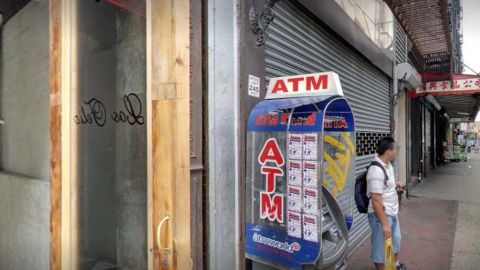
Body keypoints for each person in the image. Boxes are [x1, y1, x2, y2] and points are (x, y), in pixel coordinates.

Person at [367, 137, 406, 270]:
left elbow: (385, 186)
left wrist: (396, 185)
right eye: (396, 149)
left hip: (392, 211)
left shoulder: (388, 165)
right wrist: (384, 223)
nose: (397, 152)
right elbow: (376, 200)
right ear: (389, 151)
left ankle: (394, 265)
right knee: (380, 247)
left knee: (396, 240)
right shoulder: (376, 171)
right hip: (381, 215)